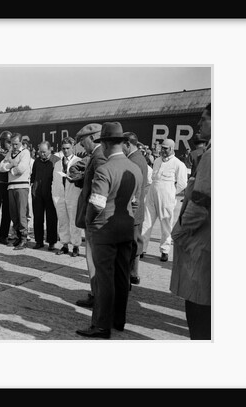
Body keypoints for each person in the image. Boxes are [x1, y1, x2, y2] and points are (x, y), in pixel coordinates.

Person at [76, 122, 142, 339]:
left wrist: (90, 222)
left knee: (104, 279)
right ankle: (118, 320)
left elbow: (96, 203)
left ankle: (101, 325)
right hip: (126, 228)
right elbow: (134, 203)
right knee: (122, 277)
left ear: (104, 143)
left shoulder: (105, 170)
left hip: (104, 229)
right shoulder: (135, 168)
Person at [170, 103, 211, 340]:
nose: (198, 123)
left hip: (201, 244)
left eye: (204, 118)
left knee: (198, 310)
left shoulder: (211, 155)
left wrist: (180, 232)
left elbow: (201, 203)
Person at [70, 123, 107, 308]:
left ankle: (97, 295)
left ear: (92, 138)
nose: (82, 146)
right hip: (96, 216)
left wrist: (90, 216)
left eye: (83, 142)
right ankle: (97, 294)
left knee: (93, 259)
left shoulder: (99, 156)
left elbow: (100, 191)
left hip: (95, 217)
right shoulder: (99, 155)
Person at [141, 138, 188, 261]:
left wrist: (171, 193)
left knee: (166, 224)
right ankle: (142, 249)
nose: (163, 150)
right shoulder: (156, 161)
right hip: (152, 192)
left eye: (165, 148)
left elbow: (182, 184)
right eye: (162, 148)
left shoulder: (178, 164)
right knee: (146, 221)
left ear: (172, 149)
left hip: (167, 195)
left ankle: (164, 250)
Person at [123, 132, 148, 286]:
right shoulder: (138, 158)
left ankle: (131, 275)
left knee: (132, 244)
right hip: (136, 208)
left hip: (133, 209)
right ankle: (133, 274)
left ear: (128, 144)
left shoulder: (135, 161)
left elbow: (133, 189)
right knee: (135, 242)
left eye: (122, 145)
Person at [0, 133, 31, 250]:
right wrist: (12, 165)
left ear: (21, 143)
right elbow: (1, 167)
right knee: (14, 213)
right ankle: (17, 236)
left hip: (22, 186)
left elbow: (21, 169)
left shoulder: (25, 152)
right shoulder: (10, 153)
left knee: (22, 213)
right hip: (11, 186)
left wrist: (10, 169)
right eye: (13, 144)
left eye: (17, 144)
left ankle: (23, 237)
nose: (15, 146)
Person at [52, 137, 83, 257]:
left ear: (73, 148)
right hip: (60, 195)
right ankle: (64, 244)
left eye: (68, 148)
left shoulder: (78, 161)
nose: (65, 151)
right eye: (63, 148)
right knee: (62, 220)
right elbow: (55, 181)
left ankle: (76, 246)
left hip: (73, 195)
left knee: (74, 221)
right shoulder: (58, 164)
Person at [30, 141, 60, 251]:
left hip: (50, 193)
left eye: (44, 152)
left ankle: (52, 242)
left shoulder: (56, 161)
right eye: (40, 152)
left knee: (51, 218)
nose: (42, 154)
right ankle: (39, 241)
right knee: (38, 218)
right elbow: (33, 176)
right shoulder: (37, 161)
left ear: (50, 150)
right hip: (37, 193)